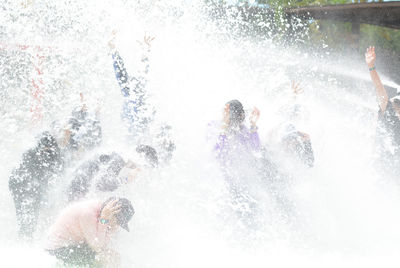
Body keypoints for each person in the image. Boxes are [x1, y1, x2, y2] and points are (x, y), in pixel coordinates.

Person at [109, 32, 175, 164]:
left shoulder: (135, 98)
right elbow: (131, 76)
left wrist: (114, 52)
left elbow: (124, 75)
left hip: (139, 142)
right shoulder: (136, 98)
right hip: (138, 142)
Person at [45, 197, 134, 267]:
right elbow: (97, 246)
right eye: (117, 221)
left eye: (119, 223)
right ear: (110, 213)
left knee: (114, 256)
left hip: (75, 245)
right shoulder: (88, 213)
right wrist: (104, 220)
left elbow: (104, 244)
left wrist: (106, 223)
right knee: (105, 258)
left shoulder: (104, 215)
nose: (116, 226)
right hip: (58, 249)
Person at [9, 131, 64, 240]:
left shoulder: (54, 155)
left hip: (27, 185)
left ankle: (28, 235)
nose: (47, 151)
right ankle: (25, 234)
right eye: (45, 148)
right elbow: (34, 174)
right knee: (24, 212)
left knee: (32, 211)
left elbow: (58, 173)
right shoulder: (31, 155)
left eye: (49, 147)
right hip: (20, 185)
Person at [365, 46, 400, 176]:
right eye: (396, 102)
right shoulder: (388, 109)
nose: (396, 105)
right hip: (381, 165)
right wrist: (371, 67)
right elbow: (379, 87)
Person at [67, 151, 145, 202]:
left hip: (74, 186)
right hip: (76, 191)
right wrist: (127, 179)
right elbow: (102, 183)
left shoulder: (115, 154)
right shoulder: (118, 160)